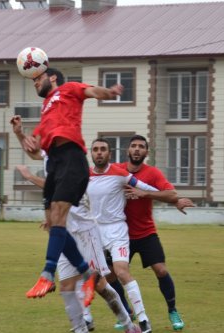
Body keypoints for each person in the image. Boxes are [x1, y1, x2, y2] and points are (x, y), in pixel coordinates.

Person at [10, 67, 124, 303]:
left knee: (59, 218)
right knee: (53, 225)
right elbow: (34, 152)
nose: (34, 83)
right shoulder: (45, 111)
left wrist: (110, 93)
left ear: (52, 77)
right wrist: (20, 134)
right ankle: (87, 272)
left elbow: (93, 91)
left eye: (37, 78)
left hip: (73, 158)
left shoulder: (68, 89)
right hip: (56, 165)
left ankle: (47, 273)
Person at [16, 165, 141, 333]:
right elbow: (52, 196)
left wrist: (29, 176)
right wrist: (51, 218)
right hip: (64, 232)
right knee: (67, 287)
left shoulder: (71, 159)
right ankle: (80, 329)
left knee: (100, 285)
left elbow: (59, 190)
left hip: (85, 232)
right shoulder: (52, 158)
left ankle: (129, 326)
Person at [112, 134, 194, 331]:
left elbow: (171, 193)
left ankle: (173, 310)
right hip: (120, 234)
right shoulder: (116, 170)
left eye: (141, 146)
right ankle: (126, 312)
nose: (137, 149)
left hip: (146, 233)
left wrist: (146, 193)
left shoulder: (153, 173)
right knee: (112, 276)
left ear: (146, 152)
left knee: (161, 270)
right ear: (128, 151)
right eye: (134, 146)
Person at [87, 138, 160, 333]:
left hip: (117, 229)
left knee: (121, 271)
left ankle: (143, 319)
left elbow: (148, 188)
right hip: (94, 231)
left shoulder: (120, 173)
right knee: (92, 276)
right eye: (96, 150)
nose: (99, 153)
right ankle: (88, 318)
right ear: (91, 153)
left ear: (109, 154)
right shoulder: (84, 176)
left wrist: (173, 198)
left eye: (103, 149)